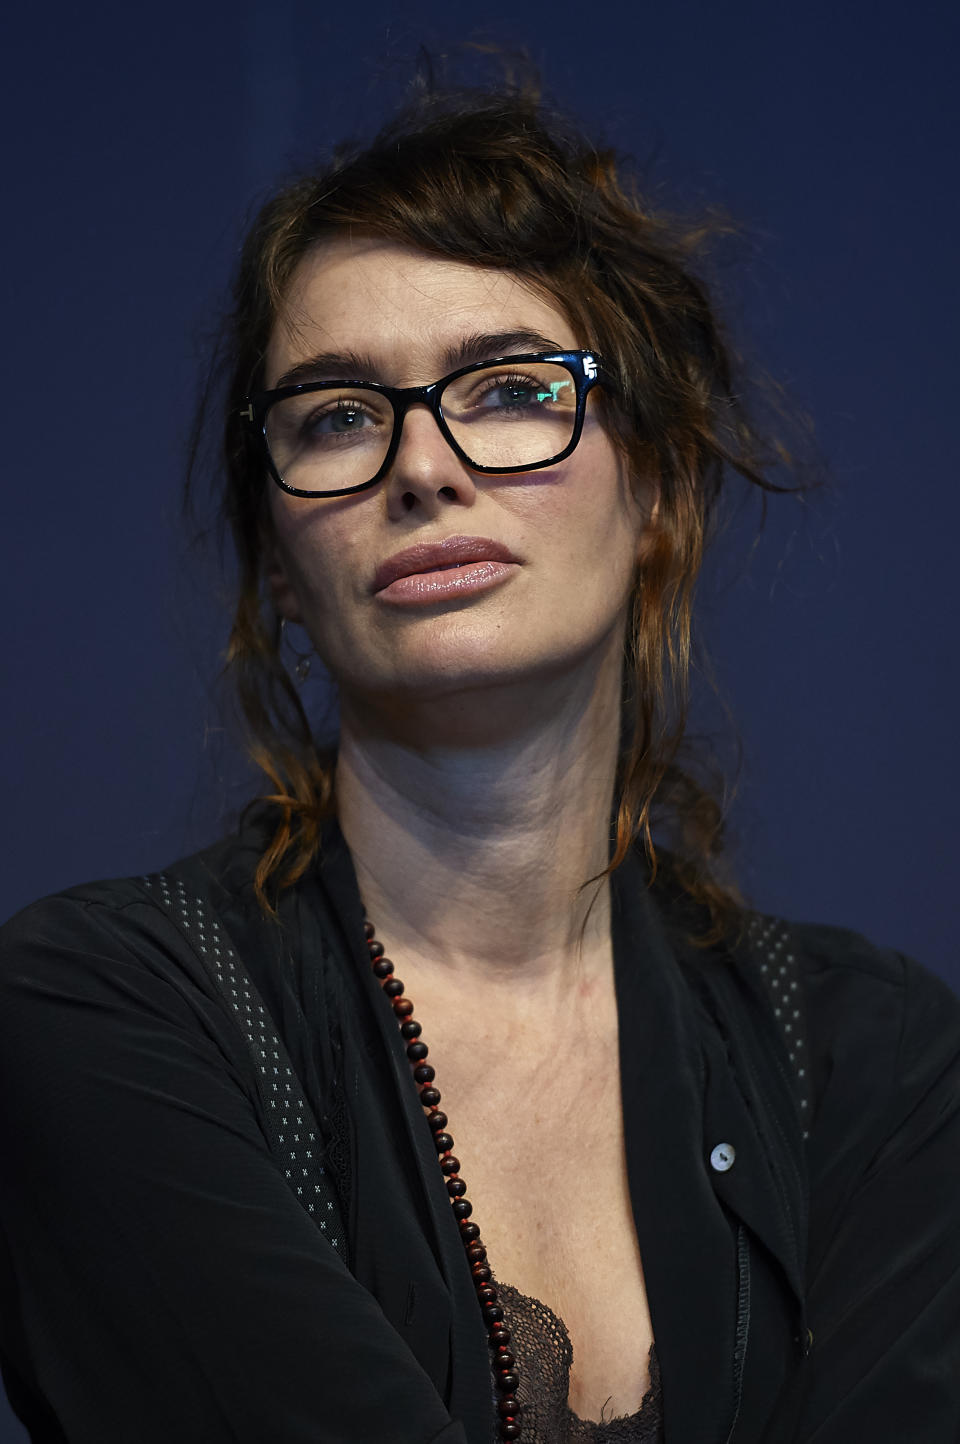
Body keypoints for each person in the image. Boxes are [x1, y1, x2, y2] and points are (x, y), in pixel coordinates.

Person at [1, 80, 958, 1444]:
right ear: (277, 564)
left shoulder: (883, 1066)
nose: (423, 464)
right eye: (336, 416)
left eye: (511, 390)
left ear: (661, 494)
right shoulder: (105, 1017)